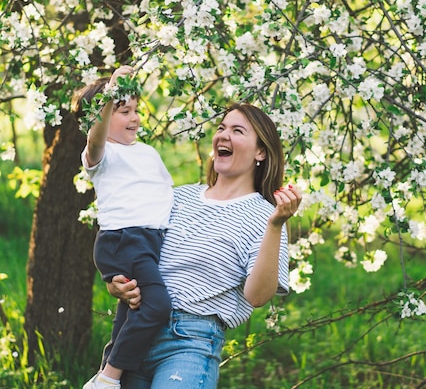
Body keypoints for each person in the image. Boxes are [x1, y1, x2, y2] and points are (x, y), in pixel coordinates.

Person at [106, 103, 303, 388]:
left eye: (238, 131)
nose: (224, 135)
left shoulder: (266, 216)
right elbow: (134, 250)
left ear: (261, 152)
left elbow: (258, 296)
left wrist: (275, 226)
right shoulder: (178, 197)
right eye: (222, 128)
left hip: (189, 342)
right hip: (133, 331)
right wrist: (114, 282)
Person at [75, 65, 174, 389]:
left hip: (148, 240)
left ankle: (110, 374)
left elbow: (165, 195)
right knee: (157, 307)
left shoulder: (147, 152)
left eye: (135, 109)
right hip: (124, 239)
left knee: (132, 313)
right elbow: (96, 134)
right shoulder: (102, 154)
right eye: (123, 110)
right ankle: (109, 377)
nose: (134, 117)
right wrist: (111, 92)